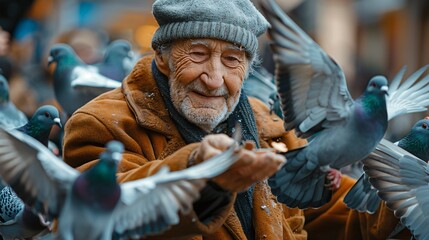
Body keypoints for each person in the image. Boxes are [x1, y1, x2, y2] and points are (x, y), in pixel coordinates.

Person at [62, 0, 411, 239]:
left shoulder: (270, 126)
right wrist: (202, 175)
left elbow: (339, 214)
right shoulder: (102, 123)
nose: (214, 78)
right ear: (164, 58)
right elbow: (100, 218)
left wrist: (409, 198)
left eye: (232, 59)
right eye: (198, 54)